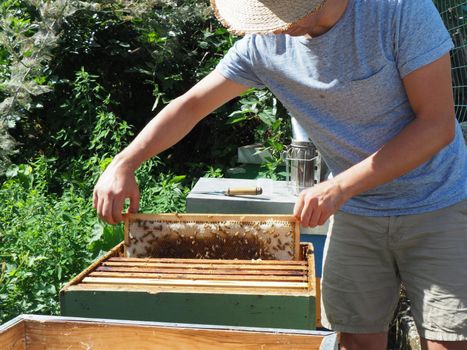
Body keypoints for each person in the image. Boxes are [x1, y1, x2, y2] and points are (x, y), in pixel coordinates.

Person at [93, 0, 467, 349]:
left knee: (447, 341)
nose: (270, 26)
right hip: (358, 211)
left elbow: (436, 126)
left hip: (439, 201)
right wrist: (124, 163)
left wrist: (339, 186)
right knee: (355, 340)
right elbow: (190, 106)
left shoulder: (400, 11)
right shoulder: (264, 45)